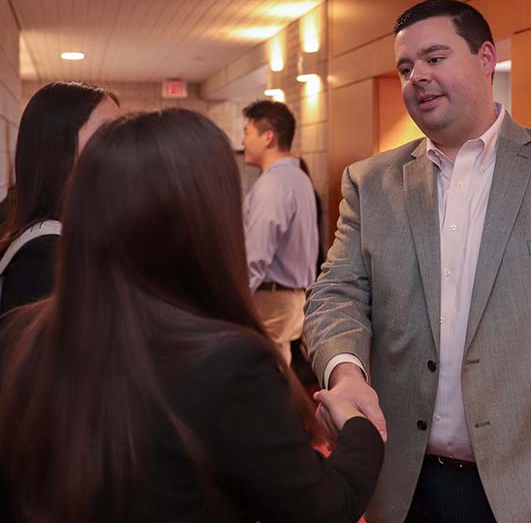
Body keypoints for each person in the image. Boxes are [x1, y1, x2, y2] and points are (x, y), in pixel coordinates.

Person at [0, 108, 384, 523]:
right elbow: (319, 506)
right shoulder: (226, 366)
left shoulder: (18, 331)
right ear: (206, 219)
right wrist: (360, 432)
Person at [303, 0, 531, 523]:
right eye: (405, 67)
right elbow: (336, 294)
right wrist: (345, 372)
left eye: (435, 58)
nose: (417, 76)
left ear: (486, 59)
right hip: (404, 488)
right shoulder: (371, 183)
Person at [0, 81, 120, 316]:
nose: (123, 145)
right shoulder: (46, 254)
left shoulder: (67, 237)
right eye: (109, 133)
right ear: (60, 147)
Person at [242, 100, 318, 364]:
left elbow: (256, 254)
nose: (243, 142)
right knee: (277, 375)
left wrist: (236, 296)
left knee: (264, 379)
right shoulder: (298, 178)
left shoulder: (273, 183)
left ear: (268, 137)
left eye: (247, 133)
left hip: (270, 299)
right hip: (289, 297)